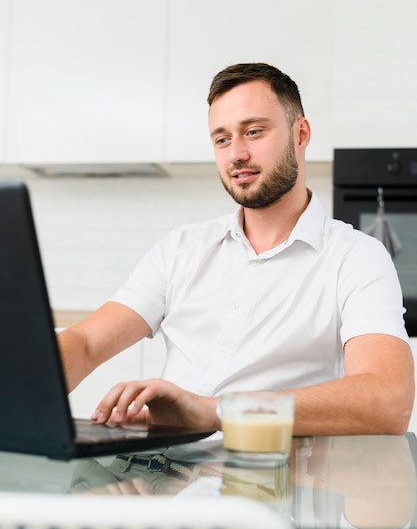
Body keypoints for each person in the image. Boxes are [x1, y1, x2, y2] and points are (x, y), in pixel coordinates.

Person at [58, 62, 414, 437]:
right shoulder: (181, 249)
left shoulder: (356, 258)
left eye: (254, 131)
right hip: (161, 475)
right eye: (222, 139)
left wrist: (215, 412)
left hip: (271, 481)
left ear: (301, 133)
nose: (236, 154)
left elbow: (388, 400)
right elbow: (85, 343)